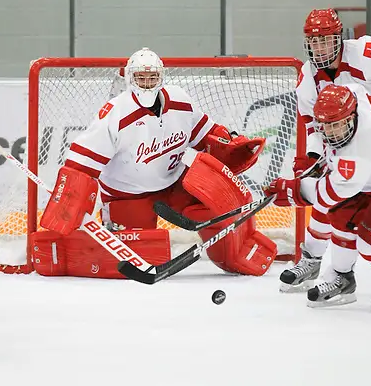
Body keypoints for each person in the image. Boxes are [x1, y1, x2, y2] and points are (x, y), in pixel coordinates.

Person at [33, 47, 277, 278]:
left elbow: (205, 132)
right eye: (141, 78)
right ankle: (104, 230)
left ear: (161, 77)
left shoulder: (180, 100)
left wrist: (231, 144)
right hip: (127, 196)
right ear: (130, 79)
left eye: (152, 78)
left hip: (173, 185)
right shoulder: (116, 112)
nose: (147, 83)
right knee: (140, 259)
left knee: (220, 207)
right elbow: (81, 163)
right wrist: (68, 203)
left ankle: (236, 254)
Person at [279, 8, 371, 296]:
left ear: (339, 38)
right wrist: (311, 158)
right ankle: (317, 261)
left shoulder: (367, 54)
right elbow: (311, 122)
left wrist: (299, 189)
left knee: (334, 193)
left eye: (326, 40)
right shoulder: (308, 77)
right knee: (338, 206)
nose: (319, 48)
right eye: (314, 42)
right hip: (349, 139)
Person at [266, 83, 371, 310]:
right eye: (326, 126)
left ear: (352, 117)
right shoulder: (353, 95)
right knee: (342, 216)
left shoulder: (360, 152)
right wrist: (314, 157)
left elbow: (326, 195)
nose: (330, 133)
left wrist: (294, 191)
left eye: (337, 126)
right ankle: (342, 278)